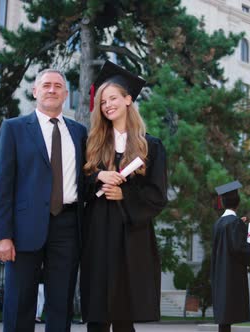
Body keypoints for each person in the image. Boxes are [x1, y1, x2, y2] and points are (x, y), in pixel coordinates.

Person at [0, 68, 87, 332]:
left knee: (61, 304)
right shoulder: (14, 129)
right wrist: (2, 235)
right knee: (20, 302)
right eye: (46, 85)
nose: (52, 90)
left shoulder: (79, 133)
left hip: (68, 227)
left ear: (66, 95)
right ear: (35, 91)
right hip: (24, 229)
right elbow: (2, 186)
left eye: (58, 86)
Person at [80, 61, 168, 332]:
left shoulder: (150, 146)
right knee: (97, 313)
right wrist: (98, 177)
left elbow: (157, 195)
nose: (107, 105)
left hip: (130, 237)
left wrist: (124, 194)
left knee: (123, 314)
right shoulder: (92, 145)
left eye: (113, 98)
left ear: (128, 99)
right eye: (102, 101)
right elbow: (76, 186)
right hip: (97, 234)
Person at [211, 181, 250, 332]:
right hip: (231, 275)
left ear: (222, 202)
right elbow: (238, 248)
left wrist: (239, 226)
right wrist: (248, 245)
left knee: (224, 316)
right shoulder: (235, 223)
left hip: (219, 274)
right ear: (238, 203)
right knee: (228, 315)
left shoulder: (218, 223)